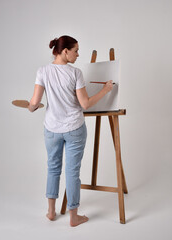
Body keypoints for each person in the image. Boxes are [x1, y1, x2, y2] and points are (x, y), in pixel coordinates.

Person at [28, 35, 113, 227]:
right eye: (75, 51)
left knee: (53, 169)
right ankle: (74, 217)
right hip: (74, 128)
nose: (78, 54)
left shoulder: (42, 71)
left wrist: (32, 107)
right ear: (64, 51)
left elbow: (34, 103)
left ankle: (51, 212)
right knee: (72, 172)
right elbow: (85, 104)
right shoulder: (75, 73)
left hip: (51, 129)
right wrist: (106, 90)